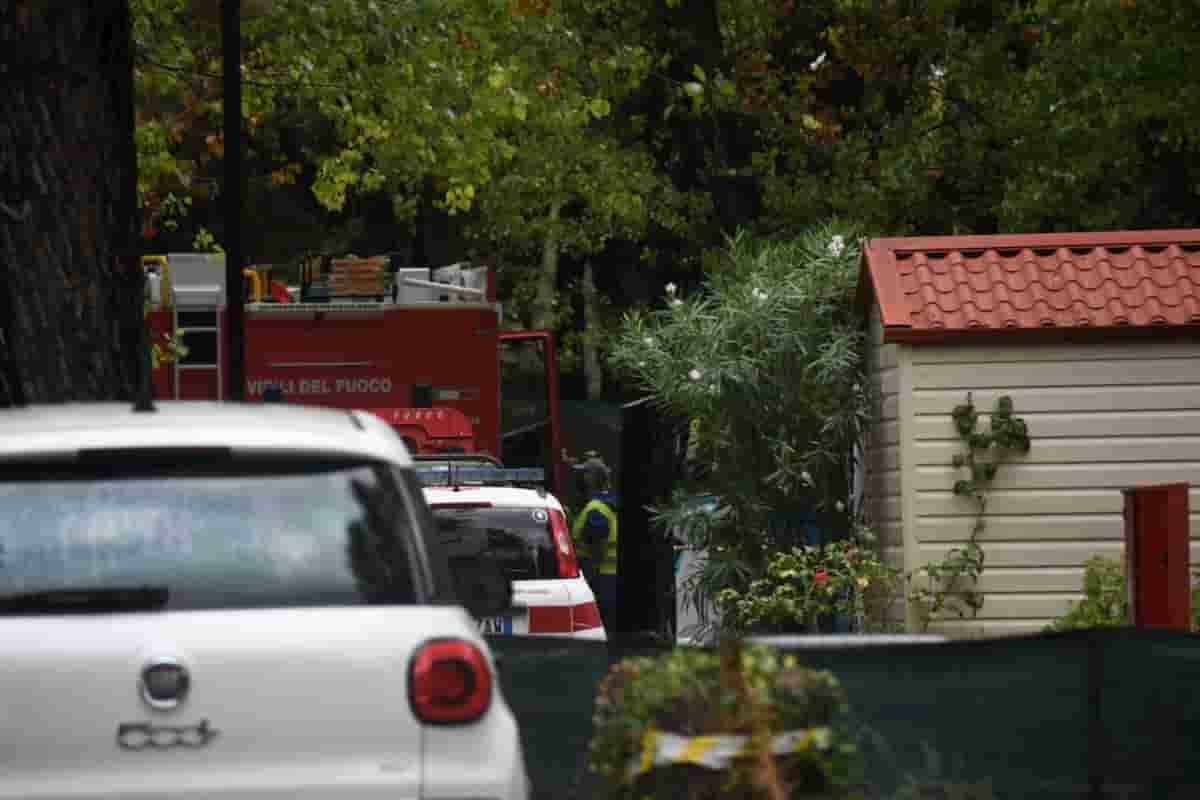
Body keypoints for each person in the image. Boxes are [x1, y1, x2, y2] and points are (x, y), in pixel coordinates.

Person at [571, 452, 620, 631]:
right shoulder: (609, 502)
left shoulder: (596, 509)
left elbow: (595, 545)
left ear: (591, 479)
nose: (580, 478)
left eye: (584, 474)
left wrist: (591, 571)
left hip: (601, 577)